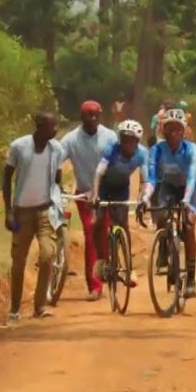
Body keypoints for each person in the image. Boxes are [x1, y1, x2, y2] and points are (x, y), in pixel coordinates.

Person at [2, 112, 65, 320]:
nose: (55, 129)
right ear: (39, 126)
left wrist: (59, 204)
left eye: (56, 125)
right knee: (19, 260)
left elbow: (58, 178)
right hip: (22, 214)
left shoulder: (56, 149)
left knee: (48, 256)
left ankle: (39, 307)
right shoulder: (19, 147)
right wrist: (8, 212)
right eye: (51, 125)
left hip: (45, 211)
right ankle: (15, 309)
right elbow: (7, 177)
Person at [59, 100, 118, 301]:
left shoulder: (110, 136)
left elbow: (119, 162)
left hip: (107, 194)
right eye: (88, 115)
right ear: (81, 116)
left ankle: (109, 267)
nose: (92, 119)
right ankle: (95, 285)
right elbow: (56, 160)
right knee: (91, 232)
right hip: (84, 195)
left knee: (105, 232)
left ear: (100, 115)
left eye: (95, 115)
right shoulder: (71, 140)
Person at [90, 120, 151, 288]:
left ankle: (129, 267)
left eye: (131, 140)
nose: (127, 144)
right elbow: (98, 173)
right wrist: (95, 195)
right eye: (124, 139)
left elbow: (144, 179)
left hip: (121, 189)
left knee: (123, 223)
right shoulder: (112, 149)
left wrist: (141, 197)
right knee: (98, 222)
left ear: (137, 142)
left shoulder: (142, 154)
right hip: (104, 187)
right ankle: (102, 259)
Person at [147, 109, 196, 298]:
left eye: (178, 128)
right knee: (161, 215)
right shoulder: (157, 150)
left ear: (184, 130)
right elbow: (152, 178)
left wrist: (186, 200)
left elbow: (192, 177)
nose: (174, 132)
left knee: (188, 226)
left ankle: (192, 278)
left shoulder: (191, 149)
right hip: (168, 187)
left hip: (188, 190)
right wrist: (145, 197)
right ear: (164, 129)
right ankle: (163, 247)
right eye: (170, 128)